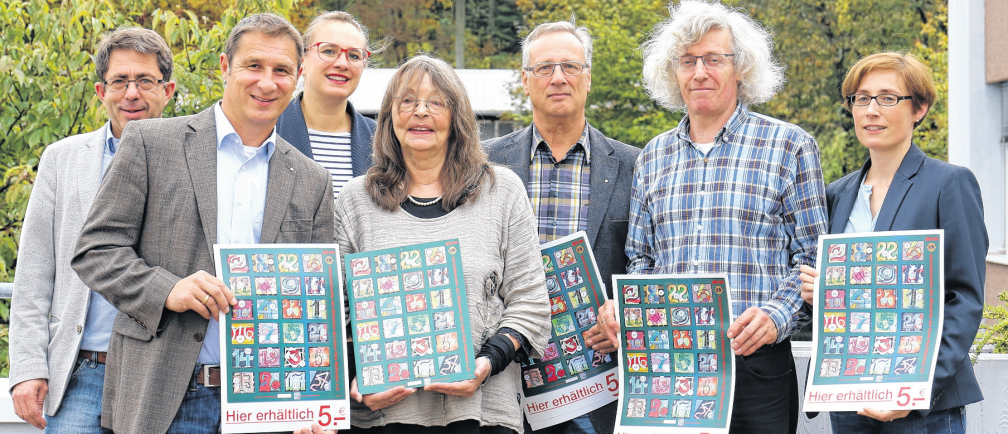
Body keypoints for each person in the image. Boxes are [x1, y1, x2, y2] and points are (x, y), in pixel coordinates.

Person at [71, 14, 334, 434]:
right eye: (253, 65)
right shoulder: (151, 143)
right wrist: (167, 289)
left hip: (265, 406)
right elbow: (95, 251)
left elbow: (313, 302)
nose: (267, 82)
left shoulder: (312, 179)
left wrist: (312, 402)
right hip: (167, 397)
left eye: (282, 70)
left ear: (298, 77)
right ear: (225, 66)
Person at [596, 1, 828, 433]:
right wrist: (628, 308)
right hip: (670, 369)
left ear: (741, 68)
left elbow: (814, 258)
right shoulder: (652, 158)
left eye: (713, 59)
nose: (699, 72)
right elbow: (642, 261)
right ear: (673, 72)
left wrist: (776, 316)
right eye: (687, 61)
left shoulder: (790, 146)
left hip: (755, 365)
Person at [334, 55, 551, 434]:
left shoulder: (502, 191)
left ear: (457, 116)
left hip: (482, 413)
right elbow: (338, 314)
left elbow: (529, 303)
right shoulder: (355, 201)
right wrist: (356, 374)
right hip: (386, 417)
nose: (421, 111)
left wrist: (486, 363)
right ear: (389, 115)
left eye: (436, 102)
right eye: (407, 100)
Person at [798, 52, 986, 433]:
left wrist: (914, 391)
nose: (871, 110)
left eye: (887, 98)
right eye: (861, 98)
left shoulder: (949, 183)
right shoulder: (836, 195)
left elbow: (965, 300)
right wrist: (822, 293)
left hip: (921, 408)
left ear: (919, 108)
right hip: (849, 397)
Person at [8, 27, 176, 433]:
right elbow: (33, 273)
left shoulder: (194, 161)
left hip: (162, 376)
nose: (132, 93)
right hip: (83, 371)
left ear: (168, 90)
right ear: (101, 91)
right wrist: (28, 367)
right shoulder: (62, 159)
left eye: (145, 81)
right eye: (120, 81)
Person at [483, 19, 640, 434]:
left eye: (570, 66)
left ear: (588, 78)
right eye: (544, 68)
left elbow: (649, 261)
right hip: (505, 376)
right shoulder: (484, 165)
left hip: (598, 382)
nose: (558, 78)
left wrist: (624, 313)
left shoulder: (635, 166)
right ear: (525, 80)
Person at [278, 10, 378, 197]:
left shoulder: (381, 141)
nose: (342, 64)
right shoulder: (269, 131)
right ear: (302, 61)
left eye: (354, 56)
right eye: (329, 51)